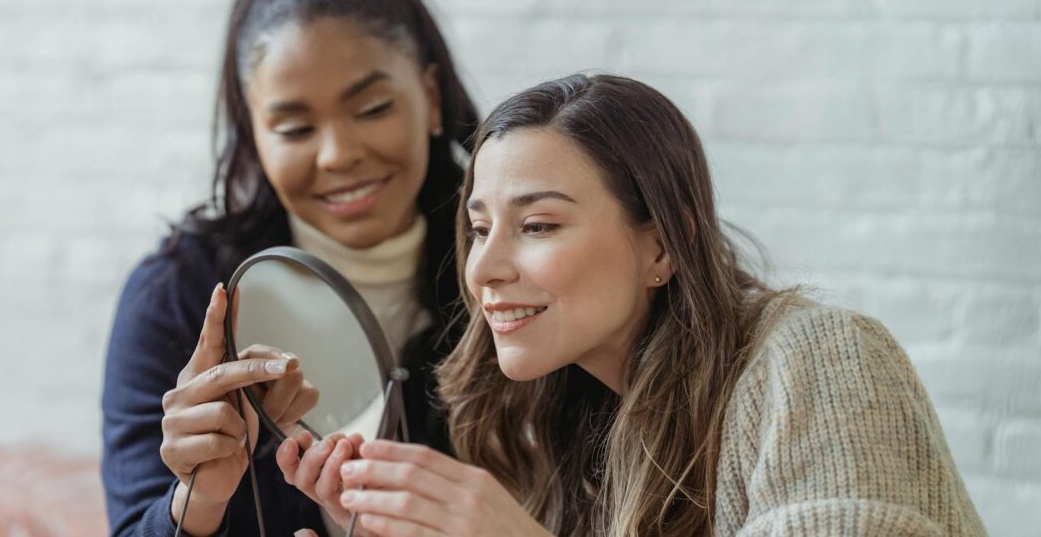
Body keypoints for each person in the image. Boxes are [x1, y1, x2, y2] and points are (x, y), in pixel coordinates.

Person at [329, 74, 988, 536]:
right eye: (479, 230)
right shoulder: (560, 429)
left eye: (539, 226)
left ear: (663, 248)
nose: (484, 269)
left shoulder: (820, 357)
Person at [100, 0, 478, 535]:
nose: (337, 155)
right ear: (254, 133)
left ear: (431, 96)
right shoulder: (176, 294)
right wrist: (198, 497)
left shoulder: (506, 275)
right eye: (295, 129)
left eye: (372, 109)